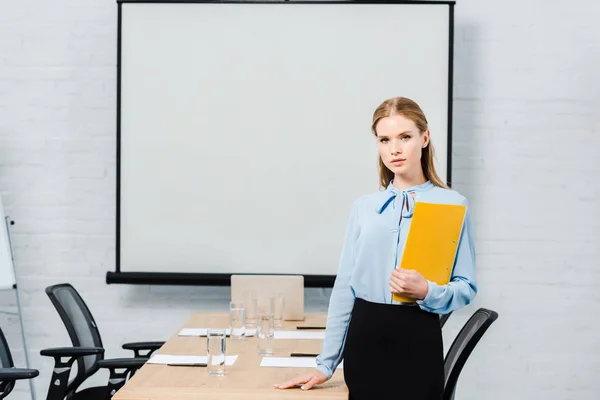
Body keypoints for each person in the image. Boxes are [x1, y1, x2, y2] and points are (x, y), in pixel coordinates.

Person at [273, 97, 477, 399]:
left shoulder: (452, 204)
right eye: (385, 140)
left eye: (404, 137)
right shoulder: (364, 208)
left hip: (418, 341)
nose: (394, 149)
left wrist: (427, 291)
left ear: (424, 137)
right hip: (366, 339)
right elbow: (346, 288)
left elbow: (466, 287)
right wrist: (325, 365)